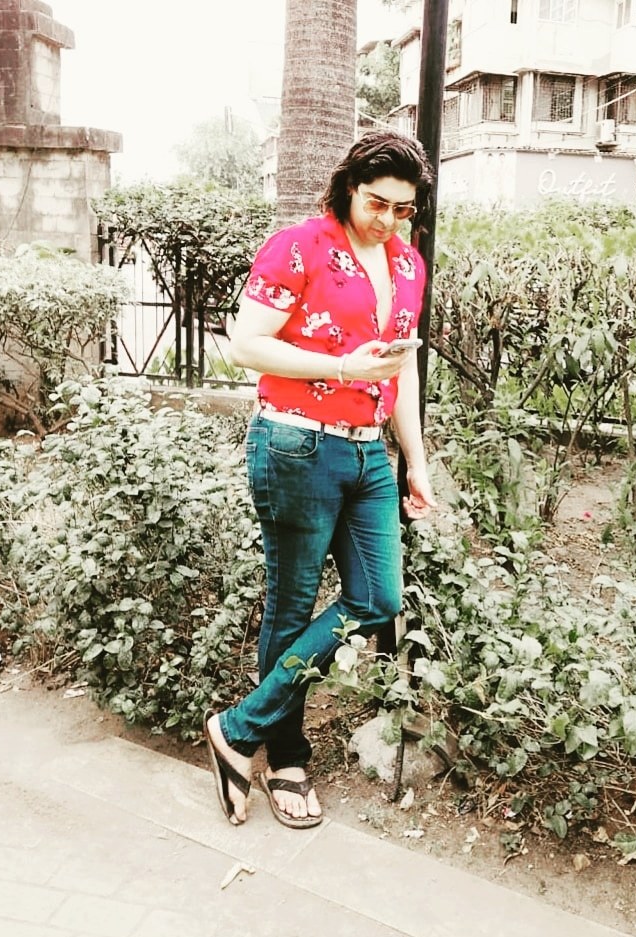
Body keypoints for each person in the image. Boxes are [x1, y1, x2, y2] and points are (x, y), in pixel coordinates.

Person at [203, 130, 437, 828]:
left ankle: (237, 729)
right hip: (296, 445)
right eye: (377, 203)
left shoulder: (408, 264)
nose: (389, 220)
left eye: (403, 209)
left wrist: (416, 459)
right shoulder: (300, 246)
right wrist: (340, 367)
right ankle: (287, 759)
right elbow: (246, 344)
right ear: (348, 190)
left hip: (369, 455)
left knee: (377, 598)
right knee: (292, 604)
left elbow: (401, 369)